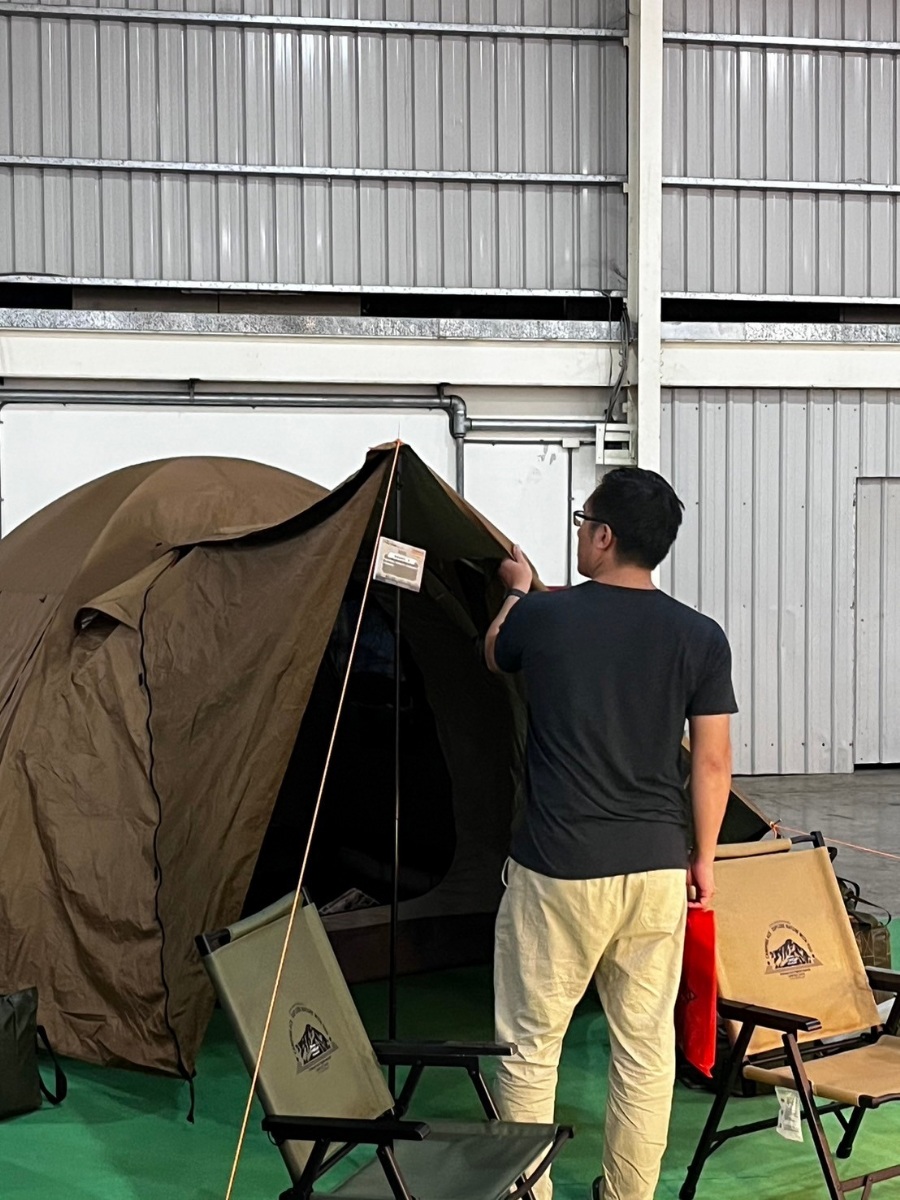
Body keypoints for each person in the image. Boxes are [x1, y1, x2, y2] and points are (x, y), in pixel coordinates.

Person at [484, 466, 736, 1200]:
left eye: (582, 522)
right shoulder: (700, 636)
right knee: (645, 1048)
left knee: (530, 1046)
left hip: (555, 868)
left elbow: (493, 651)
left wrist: (515, 590)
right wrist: (704, 858)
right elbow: (712, 763)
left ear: (602, 536)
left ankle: (528, 1192)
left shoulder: (544, 617)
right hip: (656, 868)